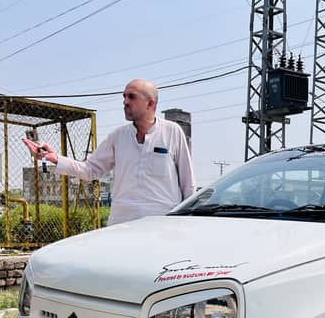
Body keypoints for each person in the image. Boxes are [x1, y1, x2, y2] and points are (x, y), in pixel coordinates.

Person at [22, 79, 195, 226]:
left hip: (162, 224)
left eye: (132, 97)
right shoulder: (118, 136)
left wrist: (188, 223)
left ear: (150, 103)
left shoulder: (172, 132)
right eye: (124, 96)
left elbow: (188, 183)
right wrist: (54, 158)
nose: (125, 102)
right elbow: (90, 170)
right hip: (122, 224)